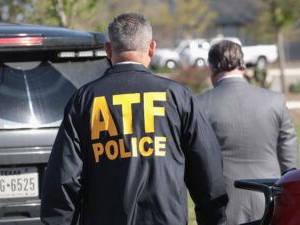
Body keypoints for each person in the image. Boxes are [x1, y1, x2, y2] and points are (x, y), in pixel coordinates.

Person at [41, 13, 228, 225]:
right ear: (151, 48)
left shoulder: (85, 100)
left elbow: (63, 178)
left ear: (108, 50)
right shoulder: (177, 96)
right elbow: (206, 169)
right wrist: (215, 220)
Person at [197, 40, 299, 225]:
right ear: (242, 64)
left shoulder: (200, 104)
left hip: (223, 203)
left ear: (211, 67)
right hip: (270, 198)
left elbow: (197, 160)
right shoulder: (275, 100)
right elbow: (289, 156)